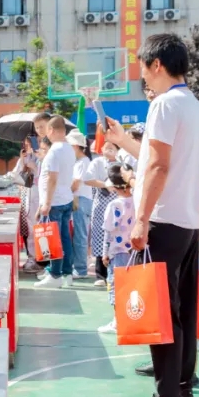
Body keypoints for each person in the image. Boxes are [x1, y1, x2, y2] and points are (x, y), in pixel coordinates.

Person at [105, 33, 199, 397]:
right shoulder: (191, 103)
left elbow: (159, 167)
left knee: (160, 311)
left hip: (163, 218)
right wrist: (124, 141)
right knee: (178, 310)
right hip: (186, 219)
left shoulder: (163, 104)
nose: (141, 75)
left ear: (156, 66)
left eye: (143, 66)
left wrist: (142, 218)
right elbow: (158, 158)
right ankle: (180, 390)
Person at [33, 116, 77, 288]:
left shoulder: (54, 151)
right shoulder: (69, 149)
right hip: (65, 198)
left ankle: (55, 274)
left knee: (53, 239)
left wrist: (46, 203)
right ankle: (66, 273)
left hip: (55, 201)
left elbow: (52, 178)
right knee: (65, 238)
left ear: (51, 130)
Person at [98, 162, 135, 332]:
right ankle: (132, 318)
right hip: (135, 251)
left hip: (118, 251)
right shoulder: (137, 201)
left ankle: (118, 321)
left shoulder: (114, 205)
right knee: (133, 286)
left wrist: (104, 253)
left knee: (116, 286)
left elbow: (108, 231)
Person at [84, 139, 119, 286]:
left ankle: (116, 272)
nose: (109, 150)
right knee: (99, 235)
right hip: (101, 204)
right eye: (106, 147)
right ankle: (100, 275)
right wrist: (104, 184)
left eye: (112, 147)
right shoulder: (97, 162)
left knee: (117, 235)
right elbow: (87, 179)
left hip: (119, 203)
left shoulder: (122, 162)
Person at [68, 130, 94, 280]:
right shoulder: (80, 162)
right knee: (78, 235)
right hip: (79, 200)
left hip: (81, 200)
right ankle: (78, 267)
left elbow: (75, 184)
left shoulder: (83, 162)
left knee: (80, 236)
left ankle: (81, 268)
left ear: (76, 146)